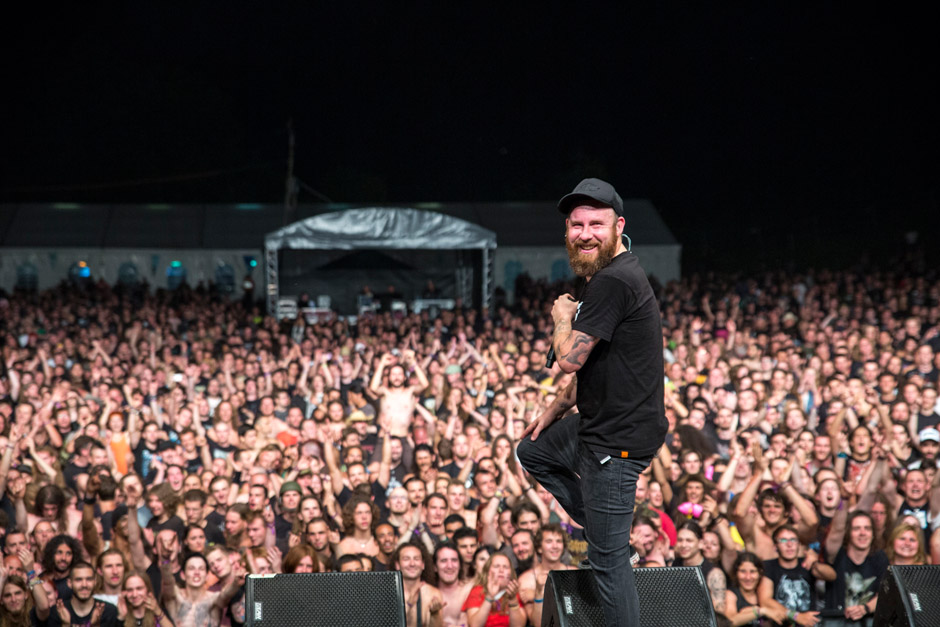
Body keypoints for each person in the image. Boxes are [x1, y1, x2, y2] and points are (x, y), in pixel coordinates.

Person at [517, 177, 666, 627]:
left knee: (606, 566)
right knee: (533, 450)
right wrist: (558, 407)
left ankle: (611, 545)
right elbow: (602, 363)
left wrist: (562, 317)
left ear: (618, 225)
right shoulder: (608, 274)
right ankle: (611, 537)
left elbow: (568, 359)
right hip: (599, 422)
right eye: (576, 224)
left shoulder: (614, 280)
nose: (584, 233)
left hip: (615, 442)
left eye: (596, 224)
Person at [461, 552, 525, 627]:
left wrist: (513, 599)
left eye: (505, 567)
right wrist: (489, 597)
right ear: (488, 571)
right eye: (496, 566)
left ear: (511, 572)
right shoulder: (477, 591)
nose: (501, 570)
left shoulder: (514, 592)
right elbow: (475, 625)